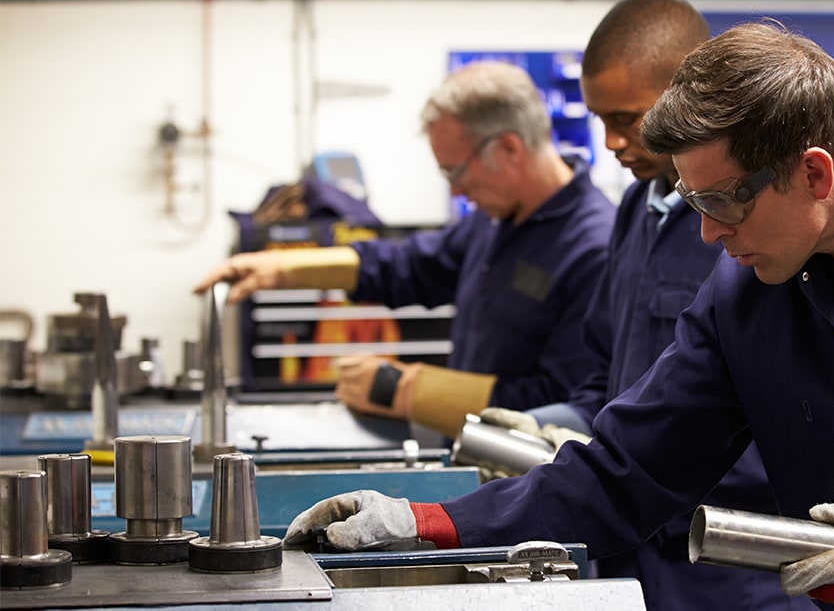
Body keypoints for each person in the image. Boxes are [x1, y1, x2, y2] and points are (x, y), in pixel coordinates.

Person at [282, 22, 834, 610]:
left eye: (722, 203)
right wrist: (425, 524)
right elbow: (626, 471)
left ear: (814, 172)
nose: (709, 235)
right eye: (692, 203)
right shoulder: (748, 297)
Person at [479, 0, 813, 610]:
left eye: (626, 119)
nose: (611, 142)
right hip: (631, 542)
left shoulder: (755, 227)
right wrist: (554, 423)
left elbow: (783, 410)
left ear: (689, 92)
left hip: (730, 561)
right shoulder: (637, 210)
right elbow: (608, 374)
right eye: (599, 120)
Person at [193, 61, 615, 437]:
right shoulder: (496, 219)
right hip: (476, 451)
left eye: (455, 171)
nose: (455, 190)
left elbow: (565, 404)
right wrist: (285, 267)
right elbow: (411, 265)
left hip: (532, 474)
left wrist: (402, 389)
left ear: (508, 148)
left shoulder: (594, 249)